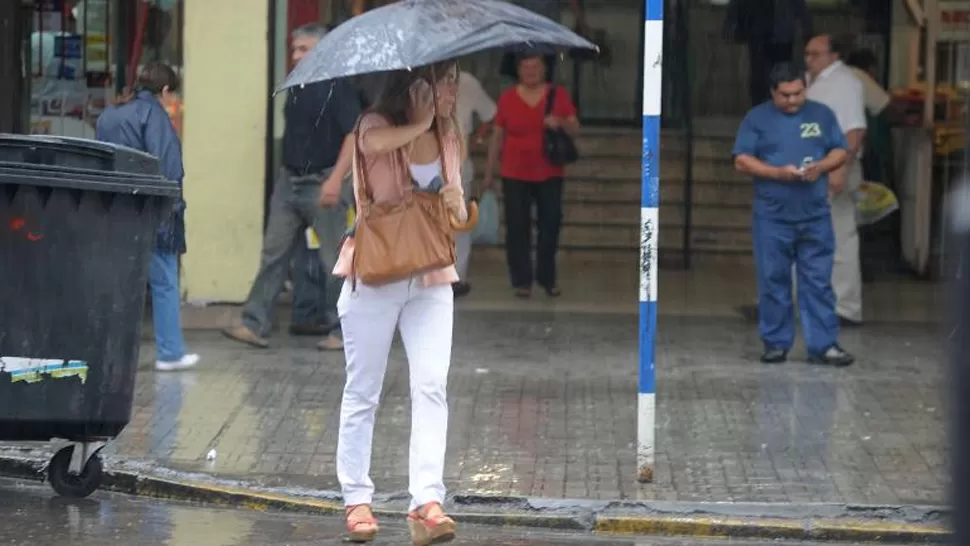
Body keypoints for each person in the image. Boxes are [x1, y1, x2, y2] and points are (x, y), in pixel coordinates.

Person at [330, 60, 466, 545]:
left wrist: (455, 204)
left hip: (430, 275)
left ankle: (426, 502)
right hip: (376, 272)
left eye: (455, 80)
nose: (452, 90)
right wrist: (421, 124)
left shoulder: (450, 136)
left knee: (431, 386)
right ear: (416, 85)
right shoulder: (375, 124)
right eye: (444, 80)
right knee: (363, 390)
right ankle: (357, 500)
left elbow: (455, 210)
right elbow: (371, 147)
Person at [222, 23, 360, 351]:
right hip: (290, 182)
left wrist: (334, 180)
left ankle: (343, 332)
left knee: (334, 261)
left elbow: (354, 135)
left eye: (304, 49)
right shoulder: (296, 85)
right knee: (273, 254)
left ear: (322, 50)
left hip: (323, 181)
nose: (296, 55)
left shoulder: (337, 86)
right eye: (295, 49)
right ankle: (254, 323)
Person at [732, 62, 854, 367]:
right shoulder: (756, 118)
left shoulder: (822, 114)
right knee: (773, 280)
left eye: (798, 93)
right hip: (772, 217)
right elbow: (742, 160)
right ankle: (775, 344)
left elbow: (840, 150)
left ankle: (823, 345)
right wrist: (777, 173)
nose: (792, 101)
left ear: (805, 88)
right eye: (785, 95)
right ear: (773, 92)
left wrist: (822, 168)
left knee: (819, 281)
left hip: (814, 215)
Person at [95, 62, 199, 372]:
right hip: (151, 211)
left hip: (115, 209)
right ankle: (170, 352)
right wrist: (174, 210)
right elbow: (168, 168)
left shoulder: (110, 113)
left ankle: (109, 350)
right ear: (165, 91)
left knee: (118, 281)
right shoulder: (154, 116)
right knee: (164, 281)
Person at [485, 53, 579, 299]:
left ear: (544, 70)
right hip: (514, 171)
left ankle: (548, 278)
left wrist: (558, 121)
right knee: (517, 227)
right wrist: (489, 172)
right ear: (518, 71)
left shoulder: (558, 95)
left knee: (551, 224)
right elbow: (497, 136)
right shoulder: (507, 99)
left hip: (549, 171)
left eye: (535, 67)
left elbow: (575, 127)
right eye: (525, 67)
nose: (530, 71)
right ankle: (522, 280)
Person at [804, 34, 867, 326]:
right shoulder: (814, 81)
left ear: (834, 56)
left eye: (815, 54)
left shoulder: (844, 82)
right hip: (815, 171)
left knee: (840, 236)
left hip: (835, 169)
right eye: (807, 54)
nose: (809, 59)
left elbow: (853, 131)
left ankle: (846, 306)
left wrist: (840, 168)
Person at [452, 70, 497, 297]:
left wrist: (478, 136)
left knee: (459, 224)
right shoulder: (417, 80)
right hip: (423, 161)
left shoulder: (467, 82)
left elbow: (490, 114)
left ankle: (457, 279)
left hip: (458, 166)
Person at [723, 0, 812, 106]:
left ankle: (777, 106)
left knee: (779, 75)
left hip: (779, 37)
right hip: (761, 36)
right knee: (759, 78)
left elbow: (801, 9)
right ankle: (761, 107)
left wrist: (807, 32)